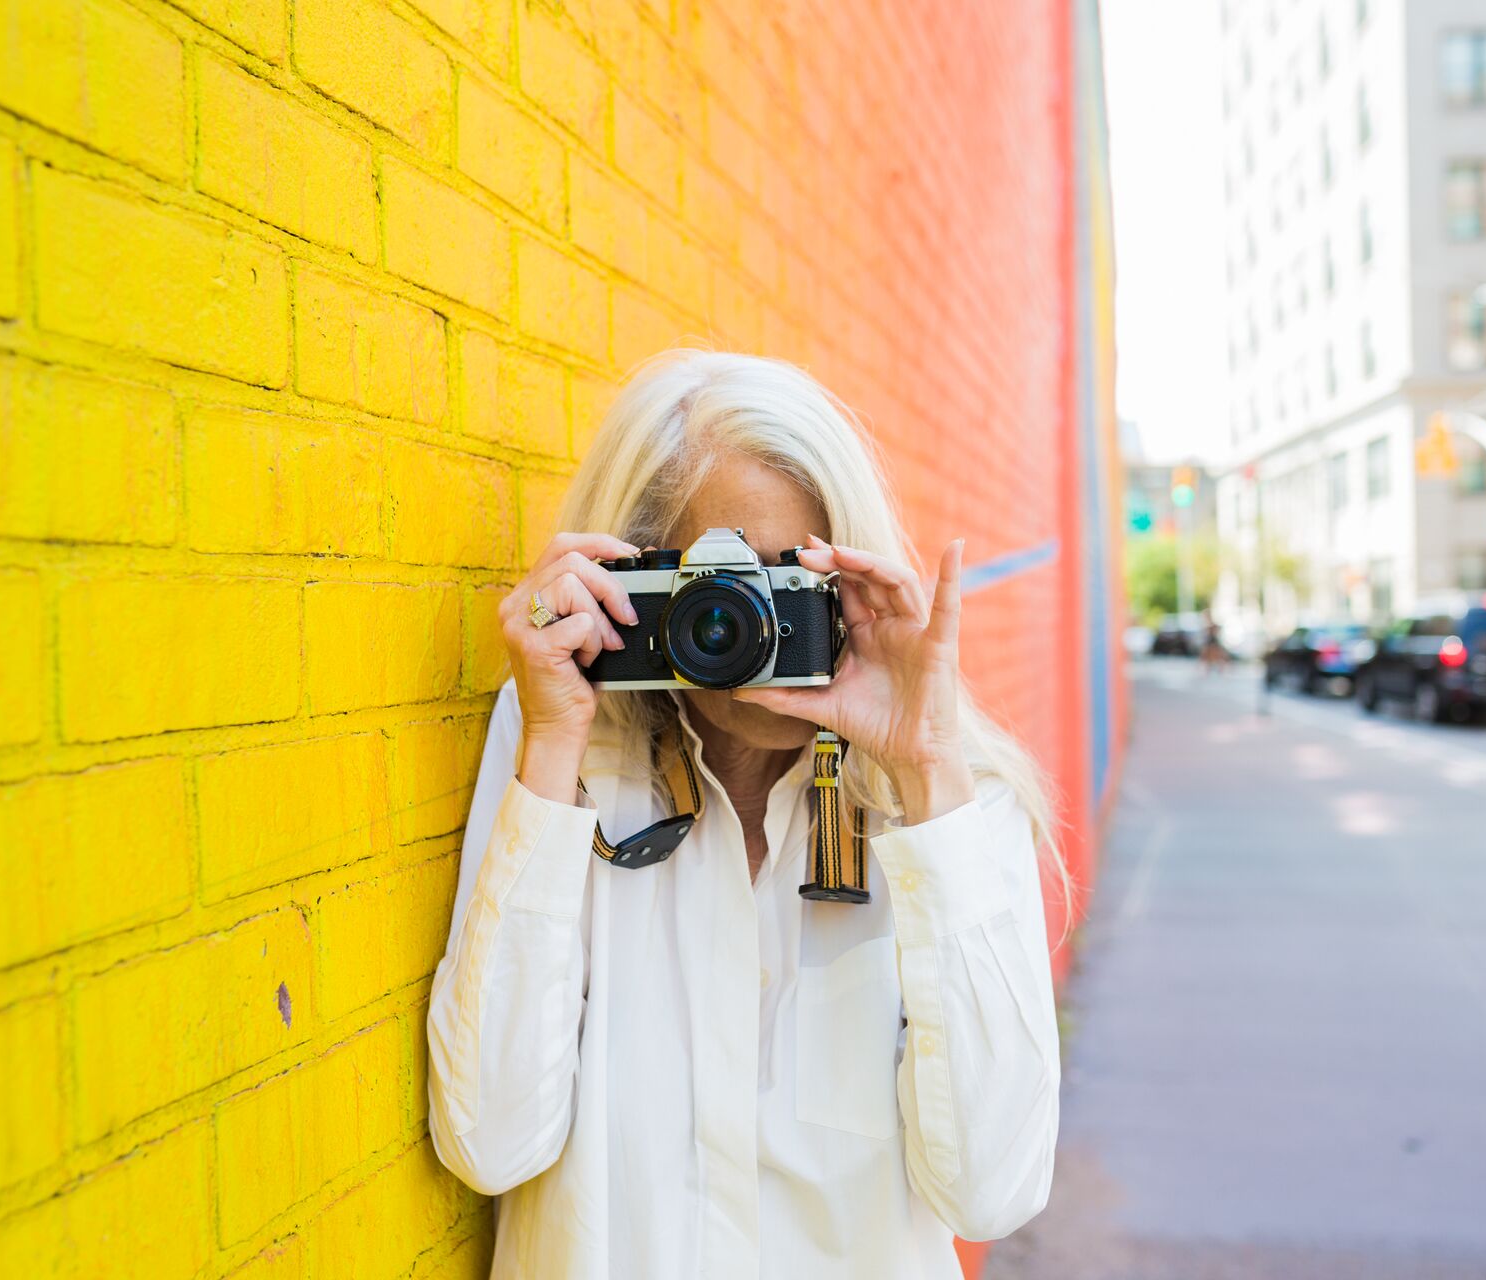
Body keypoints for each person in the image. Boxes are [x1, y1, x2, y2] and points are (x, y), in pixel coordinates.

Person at [426, 351, 1065, 1279]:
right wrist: (554, 747)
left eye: (779, 583)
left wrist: (927, 777)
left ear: (845, 581)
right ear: (630, 581)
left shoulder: (950, 805)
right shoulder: (566, 758)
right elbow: (489, 1141)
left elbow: (992, 1190)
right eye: (703, 588)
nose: (736, 628)